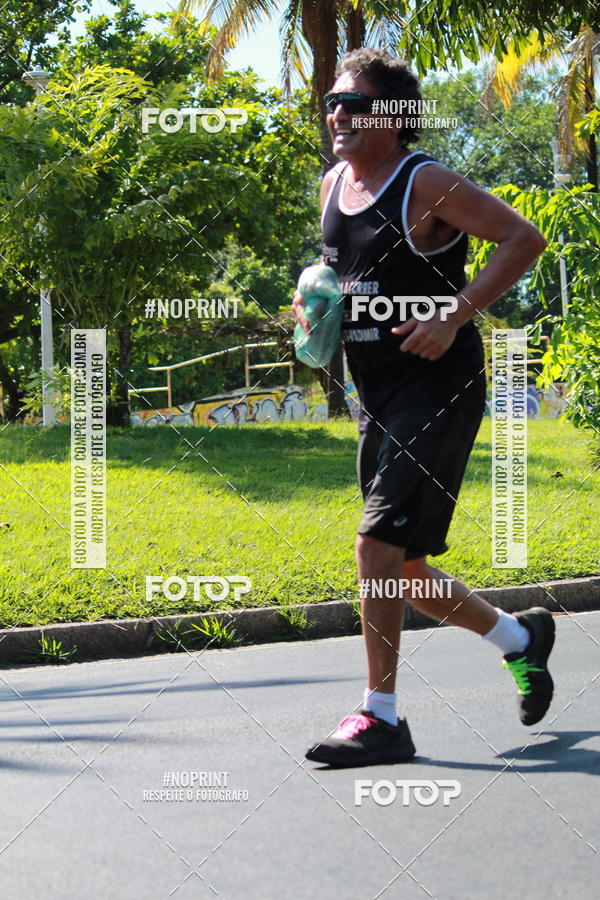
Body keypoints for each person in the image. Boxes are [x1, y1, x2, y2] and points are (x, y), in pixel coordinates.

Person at [292, 48, 554, 767]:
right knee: (400, 568)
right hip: (373, 392)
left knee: (374, 547)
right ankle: (519, 637)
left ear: (395, 117)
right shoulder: (333, 185)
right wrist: (313, 302)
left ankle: (381, 719)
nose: (336, 114)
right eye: (332, 102)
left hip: (437, 388)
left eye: (352, 102)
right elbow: (339, 273)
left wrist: (454, 315)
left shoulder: (425, 181)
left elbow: (523, 239)